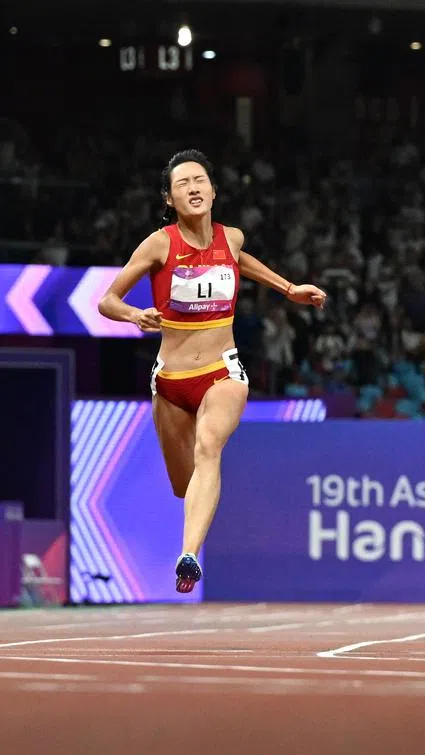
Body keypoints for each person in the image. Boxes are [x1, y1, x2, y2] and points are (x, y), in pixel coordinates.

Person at [97, 149, 327, 593]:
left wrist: (288, 288)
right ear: (169, 199)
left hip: (223, 372)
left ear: (214, 190)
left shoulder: (232, 238)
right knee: (184, 486)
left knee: (209, 448)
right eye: (182, 184)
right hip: (170, 383)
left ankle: (188, 555)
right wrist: (132, 316)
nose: (193, 188)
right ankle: (193, 527)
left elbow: (238, 260)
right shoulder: (159, 244)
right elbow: (107, 300)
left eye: (200, 180)